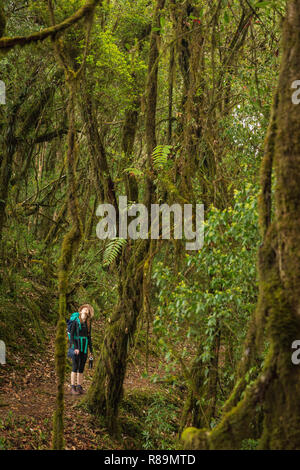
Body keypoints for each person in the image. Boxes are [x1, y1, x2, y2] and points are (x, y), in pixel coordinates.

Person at [70, 303, 94, 395]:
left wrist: (91, 351)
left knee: (81, 367)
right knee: (75, 366)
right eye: (84, 309)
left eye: (87, 309)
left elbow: (89, 337)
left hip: (84, 347)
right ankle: (72, 387)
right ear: (80, 311)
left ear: (88, 313)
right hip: (76, 347)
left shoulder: (88, 323)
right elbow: (72, 336)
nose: (86, 310)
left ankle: (79, 387)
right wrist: (75, 347)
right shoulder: (75, 321)